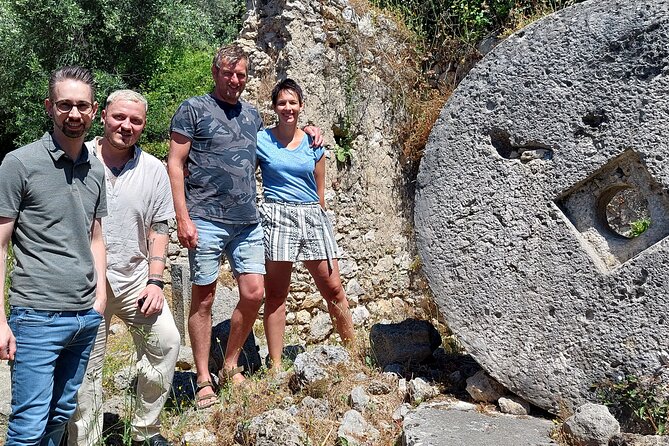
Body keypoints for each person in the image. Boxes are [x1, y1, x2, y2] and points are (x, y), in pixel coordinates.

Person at [167, 44, 321, 409]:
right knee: (203, 299)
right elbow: (174, 163)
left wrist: (311, 129)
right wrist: (183, 217)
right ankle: (204, 377)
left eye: (241, 74)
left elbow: (284, 134)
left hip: (247, 221)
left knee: (254, 293)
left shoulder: (251, 116)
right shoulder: (193, 109)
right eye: (228, 73)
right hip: (204, 218)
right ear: (215, 72)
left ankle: (231, 363)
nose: (234, 80)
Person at [0, 66, 107, 446]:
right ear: (50, 107)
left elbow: (96, 236)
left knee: (61, 413)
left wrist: (100, 300)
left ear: (94, 110)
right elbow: (0, 242)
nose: (73, 114)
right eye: (65, 105)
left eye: (81, 106)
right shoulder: (19, 164)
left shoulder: (95, 169)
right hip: (36, 316)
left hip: (84, 318)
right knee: (28, 425)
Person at [67, 90, 180, 446]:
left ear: (144, 126)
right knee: (86, 371)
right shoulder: (78, 158)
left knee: (166, 342)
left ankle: (145, 430)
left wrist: (155, 281)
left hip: (134, 279)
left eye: (136, 121)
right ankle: (86, 439)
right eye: (119, 117)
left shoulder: (154, 169)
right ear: (103, 117)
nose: (126, 126)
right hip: (84, 283)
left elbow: (159, 226)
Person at [257, 79, 355, 371]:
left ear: (301, 105)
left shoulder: (314, 142)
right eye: (282, 103)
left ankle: (353, 354)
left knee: (334, 288)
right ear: (274, 107)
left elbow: (320, 190)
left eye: (292, 102)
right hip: (277, 215)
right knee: (276, 294)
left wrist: (321, 219)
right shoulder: (261, 140)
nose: (287, 108)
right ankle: (275, 365)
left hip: (311, 215)